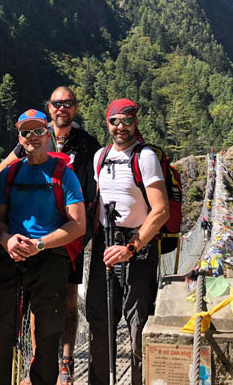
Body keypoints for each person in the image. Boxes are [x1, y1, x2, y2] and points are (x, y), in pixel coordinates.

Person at [0, 86, 102, 384]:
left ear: (75, 108)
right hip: (33, 236)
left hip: (70, 234)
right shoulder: (35, 134)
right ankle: (39, 359)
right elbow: (5, 169)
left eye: (67, 103)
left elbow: (99, 185)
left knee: (68, 299)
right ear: (49, 108)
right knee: (37, 300)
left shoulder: (86, 144)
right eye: (57, 103)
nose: (62, 108)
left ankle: (65, 362)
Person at [87, 98, 169, 385]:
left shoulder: (145, 157)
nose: (121, 127)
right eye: (115, 121)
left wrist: (131, 247)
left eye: (127, 120)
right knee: (98, 320)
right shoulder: (100, 156)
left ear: (136, 121)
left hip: (138, 248)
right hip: (105, 245)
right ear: (107, 123)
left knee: (138, 325)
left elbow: (160, 210)